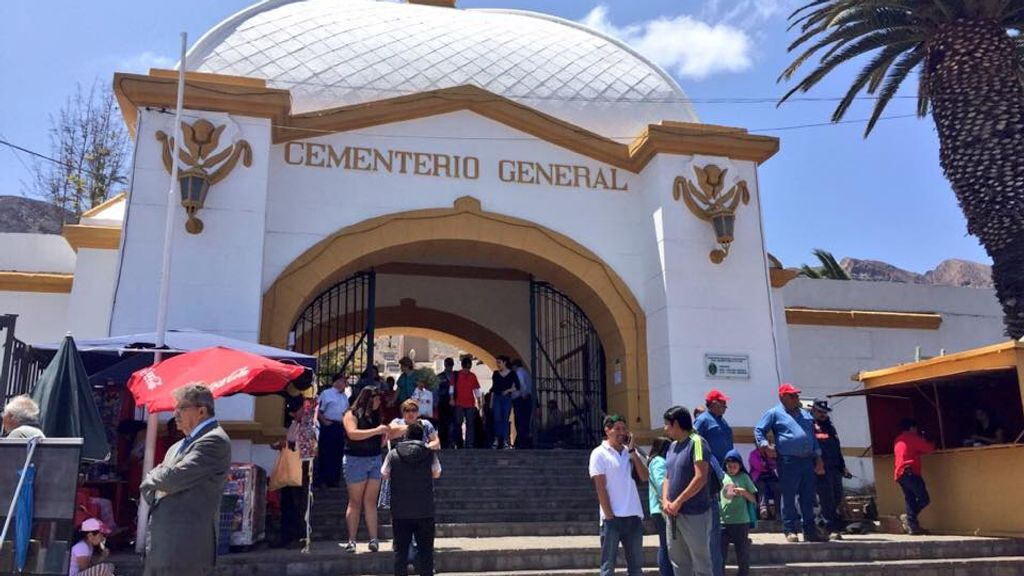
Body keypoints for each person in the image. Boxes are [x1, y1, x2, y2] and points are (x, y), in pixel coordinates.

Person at [141, 384, 231, 576]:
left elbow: (170, 480)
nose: (175, 414)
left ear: (201, 411)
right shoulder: (178, 446)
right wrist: (158, 479)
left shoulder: (214, 441)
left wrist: (158, 477)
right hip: (160, 546)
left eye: (181, 408)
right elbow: (149, 488)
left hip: (185, 549)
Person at [753, 383, 826, 543]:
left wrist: (818, 458)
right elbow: (759, 430)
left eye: (797, 395)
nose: (796, 398)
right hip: (788, 460)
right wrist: (765, 446)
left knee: (808, 496)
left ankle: (810, 530)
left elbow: (812, 438)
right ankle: (790, 529)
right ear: (782, 397)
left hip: (807, 460)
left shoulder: (805, 415)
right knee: (789, 495)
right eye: (792, 395)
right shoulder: (774, 413)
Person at [589, 414, 648, 576]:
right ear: (607, 430)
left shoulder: (628, 453)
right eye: (618, 429)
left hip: (633, 516)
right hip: (612, 518)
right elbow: (600, 487)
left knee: (636, 567)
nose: (622, 432)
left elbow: (644, 477)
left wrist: (633, 452)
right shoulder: (599, 453)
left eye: (624, 429)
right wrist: (609, 515)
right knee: (608, 567)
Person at [382, 421, 442, 576]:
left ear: (406, 435)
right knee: (426, 553)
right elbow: (437, 473)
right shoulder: (429, 453)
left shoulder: (393, 453)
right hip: (424, 509)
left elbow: (384, 473)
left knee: (400, 552)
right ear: (422, 436)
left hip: (400, 510)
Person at [661, 405, 713, 576]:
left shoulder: (697, 442)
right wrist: (666, 501)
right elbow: (667, 476)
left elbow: (700, 477)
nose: (665, 428)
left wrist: (678, 502)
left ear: (675, 423)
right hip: (673, 514)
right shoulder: (671, 447)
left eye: (666, 424)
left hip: (694, 513)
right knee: (678, 562)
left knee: (701, 562)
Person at [341, 387, 391, 553]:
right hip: (356, 459)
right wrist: (376, 431)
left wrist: (383, 437)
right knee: (355, 501)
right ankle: (352, 540)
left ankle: (373, 539)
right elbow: (352, 433)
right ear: (369, 398)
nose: (378, 402)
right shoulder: (351, 414)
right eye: (376, 399)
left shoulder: (377, 416)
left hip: (374, 458)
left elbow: (378, 438)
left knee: (370, 501)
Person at [811, 398, 852, 540]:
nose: (823, 415)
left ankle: (821, 522)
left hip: (835, 468)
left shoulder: (829, 426)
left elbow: (836, 448)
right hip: (821, 468)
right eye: (820, 412)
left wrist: (843, 466)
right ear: (814, 410)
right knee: (826, 498)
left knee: (837, 496)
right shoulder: (810, 425)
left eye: (825, 412)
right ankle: (830, 528)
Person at [276, 396, 311, 549]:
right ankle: (288, 535)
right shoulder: (294, 425)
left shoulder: (307, 426)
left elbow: (307, 445)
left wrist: (288, 444)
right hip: (291, 468)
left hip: (300, 469)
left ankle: (298, 535)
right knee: (289, 503)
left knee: (298, 503)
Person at [893, 418, 935, 535]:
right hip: (910, 473)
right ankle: (909, 518)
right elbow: (929, 449)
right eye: (915, 428)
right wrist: (931, 440)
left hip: (900, 474)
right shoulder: (912, 438)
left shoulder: (898, 439)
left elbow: (910, 452)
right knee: (924, 499)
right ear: (912, 428)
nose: (916, 430)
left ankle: (913, 527)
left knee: (910, 499)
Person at [719, 450, 757, 576]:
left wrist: (744, 492)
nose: (732, 469)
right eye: (729, 466)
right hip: (723, 521)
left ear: (740, 466)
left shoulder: (744, 477)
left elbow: (753, 499)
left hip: (741, 521)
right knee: (720, 555)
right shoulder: (722, 477)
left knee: (742, 554)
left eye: (735, 466)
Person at [647, 437, 674, 576]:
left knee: (667, 544)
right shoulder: (658, 462)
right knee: (666, 545)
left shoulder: (658, 462)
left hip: (661, 508)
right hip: (661, 508)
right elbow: (661, 483)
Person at [317, 375, 350, 488]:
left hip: (340, 426)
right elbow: (318, 410)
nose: (345, 383)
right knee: (326, 452)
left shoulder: (344, 396)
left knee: (338, 453)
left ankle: (334, 479)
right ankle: (323, 479)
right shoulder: (326, 394)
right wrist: (324, 422)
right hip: (329, 425)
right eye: (343, 381)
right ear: (337, 381)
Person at [694, 390, 734, 466]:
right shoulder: (702, 420)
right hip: (711, 467)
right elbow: (694, 443)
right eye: (723, 402)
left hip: (726, 466)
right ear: (714, 403)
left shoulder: (722, 421)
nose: (725, 406)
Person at [450, 356, 481, 449]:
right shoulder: (456, 375)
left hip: (470, 403)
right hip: (459, 403)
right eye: (465, 368)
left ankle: (469, 444)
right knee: (458, 423)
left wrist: (479, 401)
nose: (467, 370)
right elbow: (451, 388)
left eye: (468, 368)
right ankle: (459, 443)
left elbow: (476, 390)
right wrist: (451, 398)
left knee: (470, 424)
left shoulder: (472, 376)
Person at [490, 355, 520, 449]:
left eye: (499, 362)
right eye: (497, 363)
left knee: (505, 418)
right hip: (497, 398)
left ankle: (505, 440)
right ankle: (497, 439)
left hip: (506, 397)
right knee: (497, 418)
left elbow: (518, 386)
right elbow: (493, 388)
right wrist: (491, 402)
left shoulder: (512, 374)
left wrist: (508, 390)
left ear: (504, 362)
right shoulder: (495, 374)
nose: (498, 365)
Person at [748, 448, 779, 520]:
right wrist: (768, 463)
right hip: (758, 477)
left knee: (777, 488)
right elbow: (759, 466)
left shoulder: (771, 451)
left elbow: (775, 465)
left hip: (771, 477)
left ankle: (778, 511)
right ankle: (763, 510)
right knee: (761, 488)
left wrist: (770, 461)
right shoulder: (753, 454)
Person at [511, 358, 534, 449]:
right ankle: (524, 441)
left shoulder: (518, 372)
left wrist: (523, 394)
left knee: (519, 421)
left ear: (515, 366)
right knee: (525, 421)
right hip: (527, 399)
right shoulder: (526, 373)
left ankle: (520, 442)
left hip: (520, 399)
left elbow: (521, 384)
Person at [435, 357, 456, 448]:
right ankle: (443, 443)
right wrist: (435, 404)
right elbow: (435, 391)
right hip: (442, 403)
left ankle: (452, 442)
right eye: (448, 365)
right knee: (442, 425)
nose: (449, 367)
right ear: (445, 365)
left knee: (453, 424)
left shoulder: (456, 376)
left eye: (450, 365)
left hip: (454, 403)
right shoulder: (440, 377)